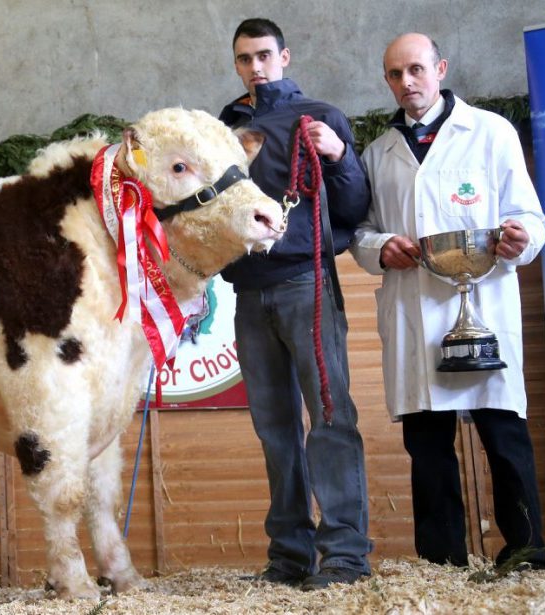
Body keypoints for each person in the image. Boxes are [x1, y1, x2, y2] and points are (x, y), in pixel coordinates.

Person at [351, 32, 545, 569]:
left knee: (503, 432)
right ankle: (442, 563)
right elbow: (362, 231)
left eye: (415, 69)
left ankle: (527, 552)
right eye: (394, 74)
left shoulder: (490, 132)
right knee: (428, 444)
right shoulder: (377, 153)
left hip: (482, 307)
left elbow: (531, 219)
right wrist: (380, 246)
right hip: (415, 309)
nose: (406, 83)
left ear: (439, 68)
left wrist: (519, 239)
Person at [217, 18, 372, 590]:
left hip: (307, 283)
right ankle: (289, 555)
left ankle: (346, 556)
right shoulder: (223, 127)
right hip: (247, 290)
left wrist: (337, 156)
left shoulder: (320, 117)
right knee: (274, 427)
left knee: (331, 419)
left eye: (263, 56)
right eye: (244, 59)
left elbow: (354, 208)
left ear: (284, 56)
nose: (255, 67)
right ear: (236, 65)